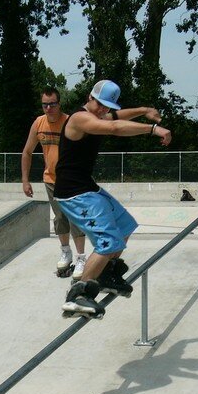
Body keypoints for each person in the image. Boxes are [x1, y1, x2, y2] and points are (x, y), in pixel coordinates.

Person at [54, 79, 171, 318]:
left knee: (125, 224)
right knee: (108, 241)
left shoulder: (102, 114)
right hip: (73, 193)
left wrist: (144, 110)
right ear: (90, 97)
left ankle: (105, 274)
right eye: (100, 105)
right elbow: (115, 128)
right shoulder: (79, 118)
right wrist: (151, 129)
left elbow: (117, 116)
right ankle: (79, 294)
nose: (103, 111)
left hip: (87, 187)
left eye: (107, 107)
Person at [22, 86, 88, 279]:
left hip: (72, 181)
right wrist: (25, 180)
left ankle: (81, 257)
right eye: (45, 105)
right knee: (60, 219)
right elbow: (27, 152)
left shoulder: (69, 122)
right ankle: (66, 251)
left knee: (75, 218)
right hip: (50, 179)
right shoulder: (38, 124)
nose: (49, 108)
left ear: (59, 104)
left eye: (52, 104)